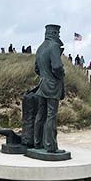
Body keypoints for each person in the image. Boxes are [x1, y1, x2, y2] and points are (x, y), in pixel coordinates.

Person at [34, 24, 65, 153]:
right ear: (53, 33)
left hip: (41, 85)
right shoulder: (54, 46)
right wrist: (61, 75)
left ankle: (37, 143)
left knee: (40, 115)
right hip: (52, 86)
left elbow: (36, 68)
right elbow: (57, 66)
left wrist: (44, 76)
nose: (59, 35)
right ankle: (51, 146)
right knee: (51, 116)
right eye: (57, 33)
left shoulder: (40, 48)